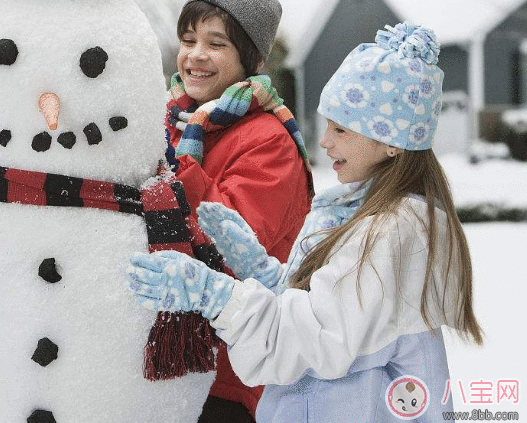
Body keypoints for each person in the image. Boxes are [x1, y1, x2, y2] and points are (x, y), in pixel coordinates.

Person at [130, 22, 482, 422]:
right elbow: (333, 313)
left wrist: (215, 294)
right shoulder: (367, 215)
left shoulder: (391, 234)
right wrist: (263, 272)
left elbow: (313, 340)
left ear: (391, 142)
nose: (325, 141)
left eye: (341, 129)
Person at [165, 0, 313, 422]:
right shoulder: (176, 125)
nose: (195, 55)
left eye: (216, 43)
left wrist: (178, 171)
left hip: (232, 375)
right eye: (188, 39)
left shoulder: (269, 142)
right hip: (169, 365)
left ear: (251, 59)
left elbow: (228, 249)